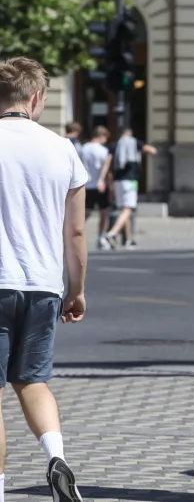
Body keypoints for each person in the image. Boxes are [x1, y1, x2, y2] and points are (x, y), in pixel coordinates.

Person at [0, 56, 89, 502]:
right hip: (42, 286)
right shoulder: (63, 149)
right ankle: (57, 458)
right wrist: (76, 291)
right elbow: (74, 231)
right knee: (33, 381)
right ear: (36, 98)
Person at [97, 127, 157, 249]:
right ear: (129, 134)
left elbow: (107, 163)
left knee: (123, 210)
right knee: (128, 209)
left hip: (117, 181)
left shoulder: (114, 145)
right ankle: (113, 233)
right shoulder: (135, 142)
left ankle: (128, 240)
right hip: (130, 181)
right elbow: (152, 151)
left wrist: (101, 178)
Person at [79, 126, 114, 250]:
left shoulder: (83, 148)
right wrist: (104, 182)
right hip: (99, 184)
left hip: (86, 184)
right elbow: (105, 169)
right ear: (102, 136)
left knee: (85, 212)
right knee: (104, 212)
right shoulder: (103, 151)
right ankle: (101, 237)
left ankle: (75, 231)